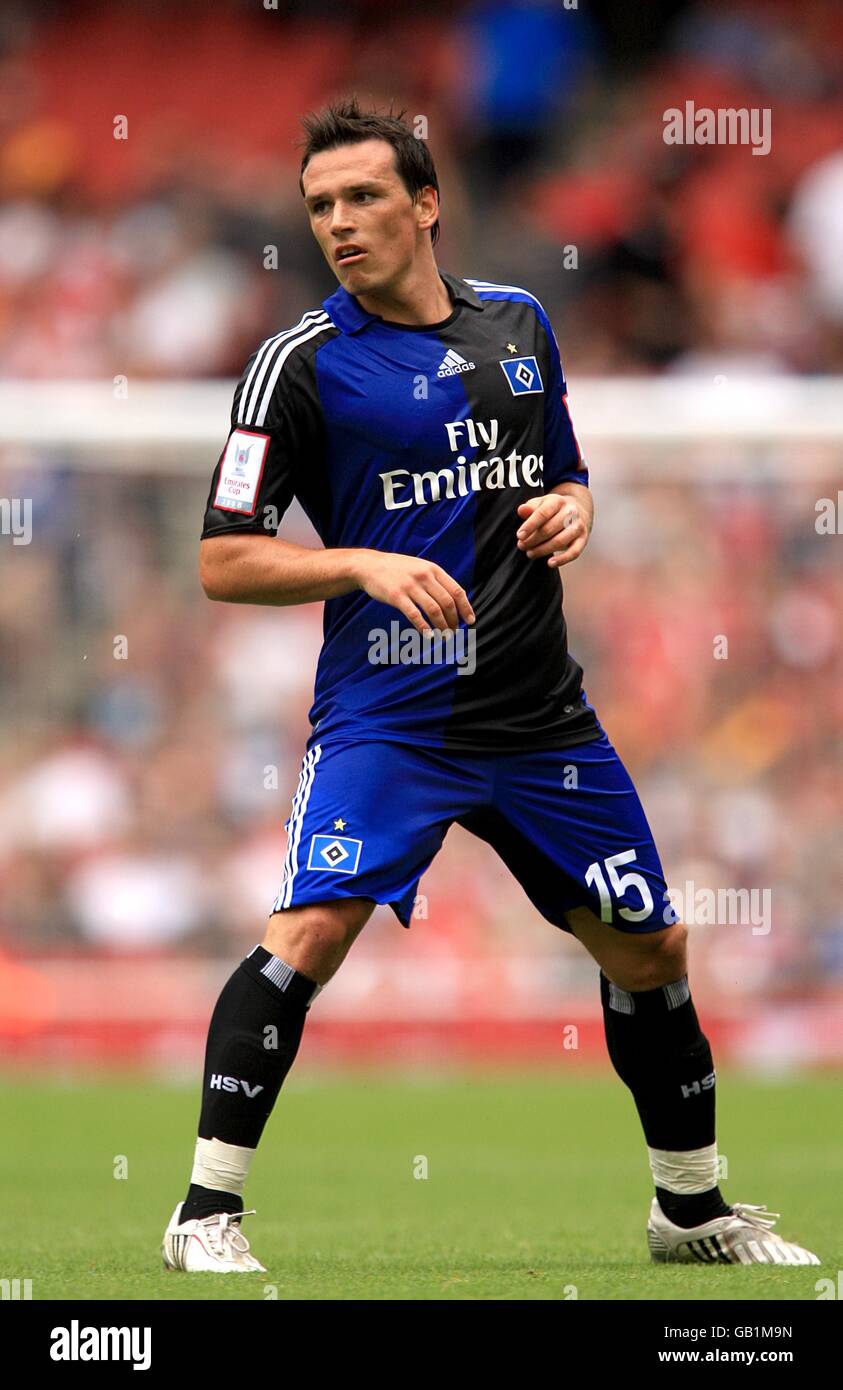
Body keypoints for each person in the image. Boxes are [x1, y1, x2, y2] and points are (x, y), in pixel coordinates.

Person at [162, 99, 818, 1273]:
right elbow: (221, 560)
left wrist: (579, 507)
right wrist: (356, 558)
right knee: (310, 929)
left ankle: (689, 1209)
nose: (339, 223)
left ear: (426, 204)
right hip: (392, 715)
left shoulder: (519, 325)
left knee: (652, 949)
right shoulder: (294, 366)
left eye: (363, 197)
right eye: (319, 206)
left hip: (538, 714)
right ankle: (204, 1213)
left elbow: (567, 472)